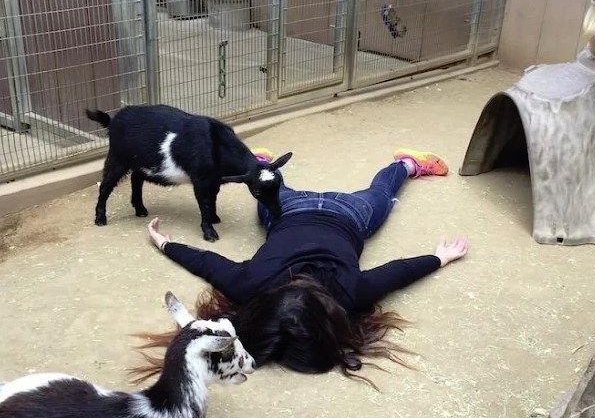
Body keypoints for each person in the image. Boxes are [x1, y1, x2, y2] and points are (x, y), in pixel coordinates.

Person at [141, 149, 468, 382]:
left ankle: (406, 164)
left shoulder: (349, 294)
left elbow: (398, 272)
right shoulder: (250, 286)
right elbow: (208, 263)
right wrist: (166, 243)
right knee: (275, 189)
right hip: (293, 211)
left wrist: (439, 257)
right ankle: (261, 163)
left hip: (348, 215)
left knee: (378, 192)